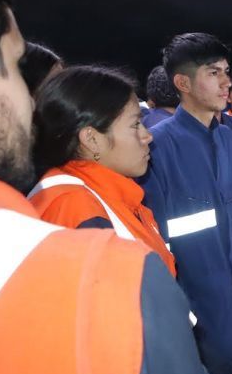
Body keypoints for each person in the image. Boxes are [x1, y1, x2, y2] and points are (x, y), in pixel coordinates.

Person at [0, 0, 213, 374]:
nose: (30, 102)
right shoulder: (78, 212)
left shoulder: (109, 197)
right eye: (14, 68)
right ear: (91, 138)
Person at [139, 32, 232, 374]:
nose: (227, 81)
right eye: (213, 73)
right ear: (183, 83)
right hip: (198, 311)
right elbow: (155, 243)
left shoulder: (230, 140)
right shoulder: (157, 147)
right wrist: (187, 311)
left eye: (226, 71)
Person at [27, 65, 174, 275]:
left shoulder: (110, 195)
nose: (147, 136)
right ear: (92, 139)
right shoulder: (75, 208)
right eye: (135, 124)